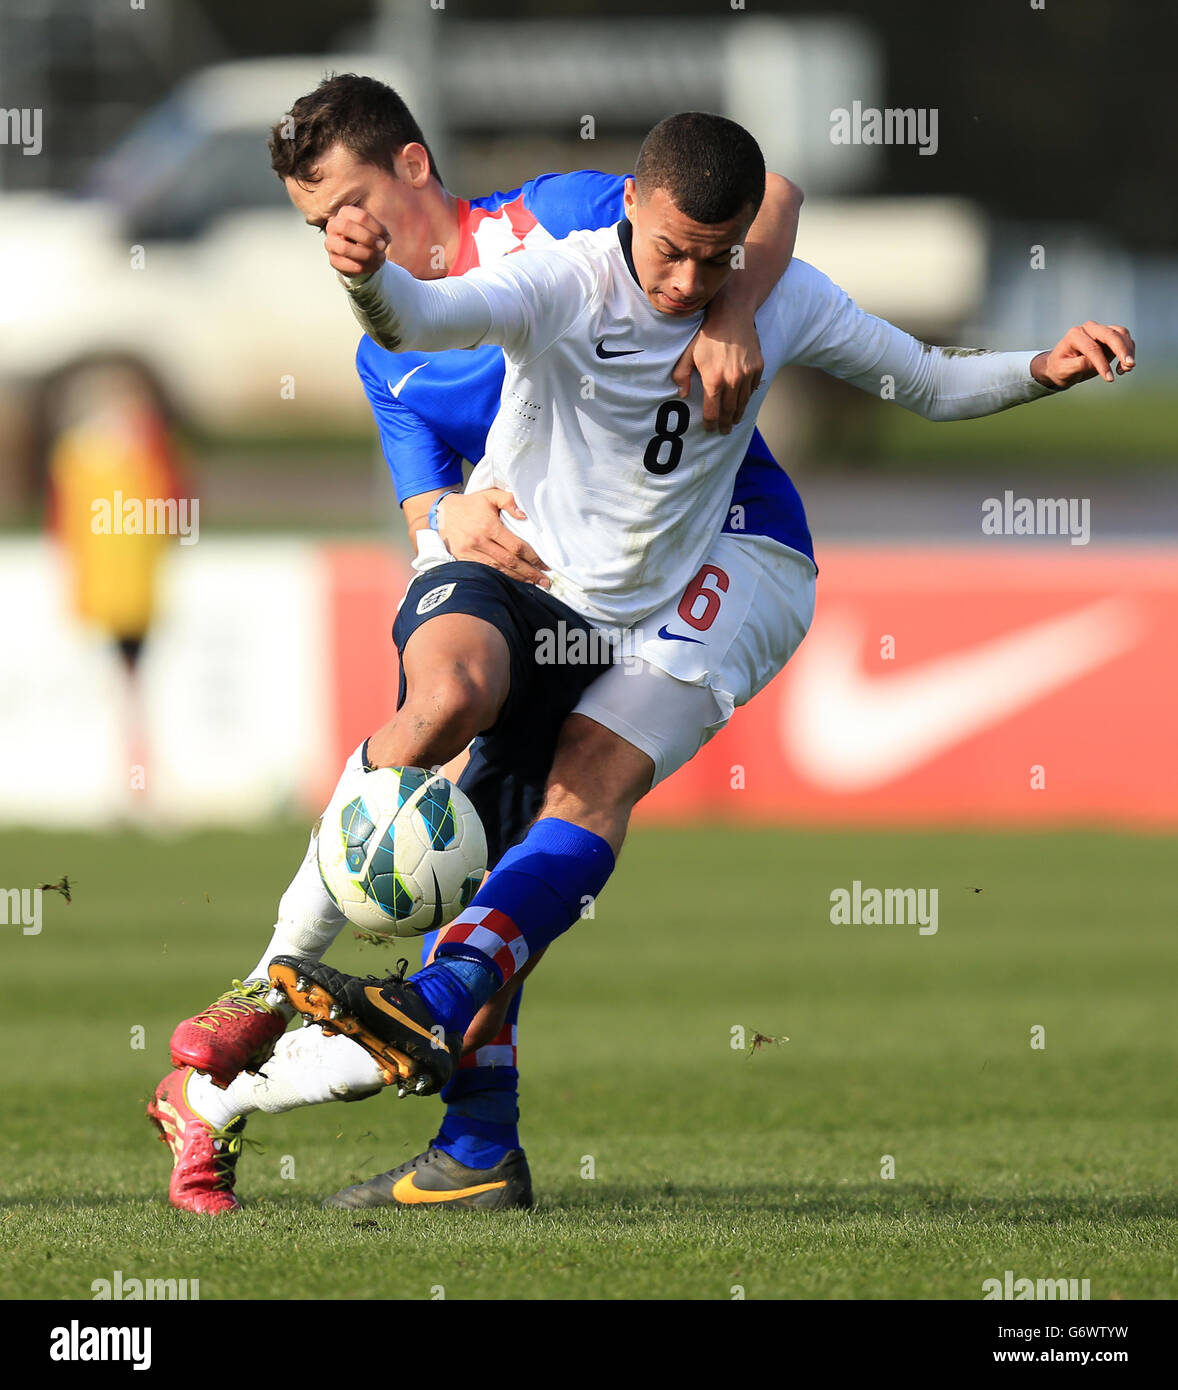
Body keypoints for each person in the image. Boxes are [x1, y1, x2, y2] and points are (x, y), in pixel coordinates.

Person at [265, 109, 1135, 1208]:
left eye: (714, 258)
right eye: (670, 249)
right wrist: (363, 280)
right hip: (575, 596)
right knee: (487, 785)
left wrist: (1042, 368)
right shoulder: (564, 277)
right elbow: (425, 315)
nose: (684, 281)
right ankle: (452, 1123)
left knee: (591, 769)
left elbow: (927, 380)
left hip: (726, 571)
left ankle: (432, 1002)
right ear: (628, 205)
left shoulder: (772, 295)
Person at [148, 77, 812, 1214]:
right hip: (546, 612)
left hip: (692, 564)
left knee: (507, 897)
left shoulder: (554, 216)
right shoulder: (387, 351)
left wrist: (734, 312)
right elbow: (424, 511)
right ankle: (413, 1106)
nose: (342, 234)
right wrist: (443, 517)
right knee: (473, 814)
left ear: (411, 166)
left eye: (351, 201)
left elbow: (768, 195)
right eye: (318, 226)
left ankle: (241, 1088)